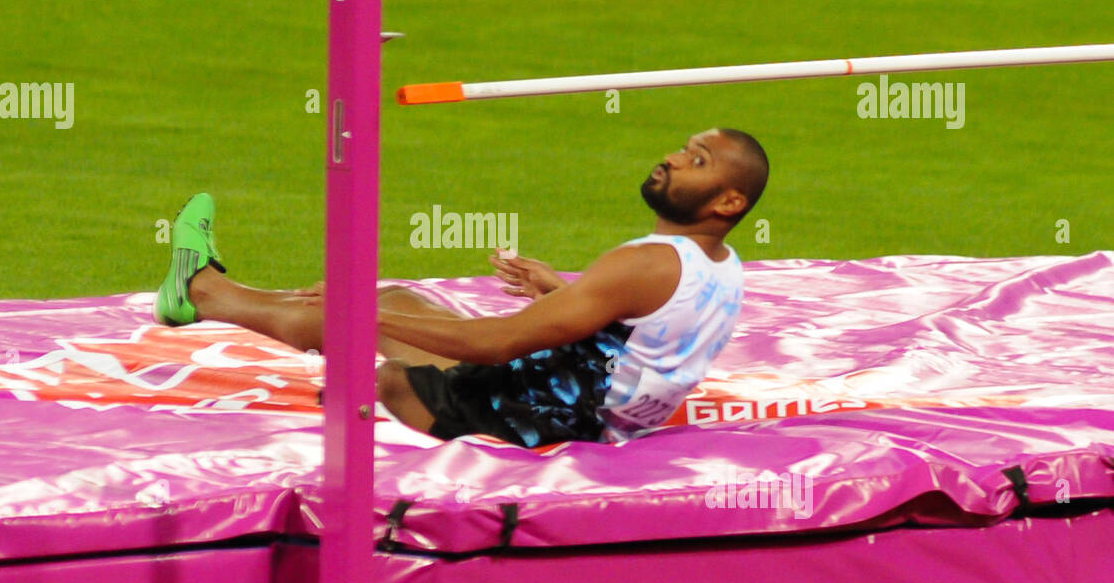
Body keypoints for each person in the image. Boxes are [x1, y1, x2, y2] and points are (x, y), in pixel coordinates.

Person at [154, 127, 768, 447]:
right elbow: (641, 339)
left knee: (373, 354)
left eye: (695, 161)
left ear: (729, 199)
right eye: (683, 150)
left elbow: (498, 343)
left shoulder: (650, 264)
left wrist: (362, 316)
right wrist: (559, 291)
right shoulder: (721, 261)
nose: (670, 159)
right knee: (391, 302)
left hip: (548, 423)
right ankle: (201, 292)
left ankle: (203, 292)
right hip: (584, 403)